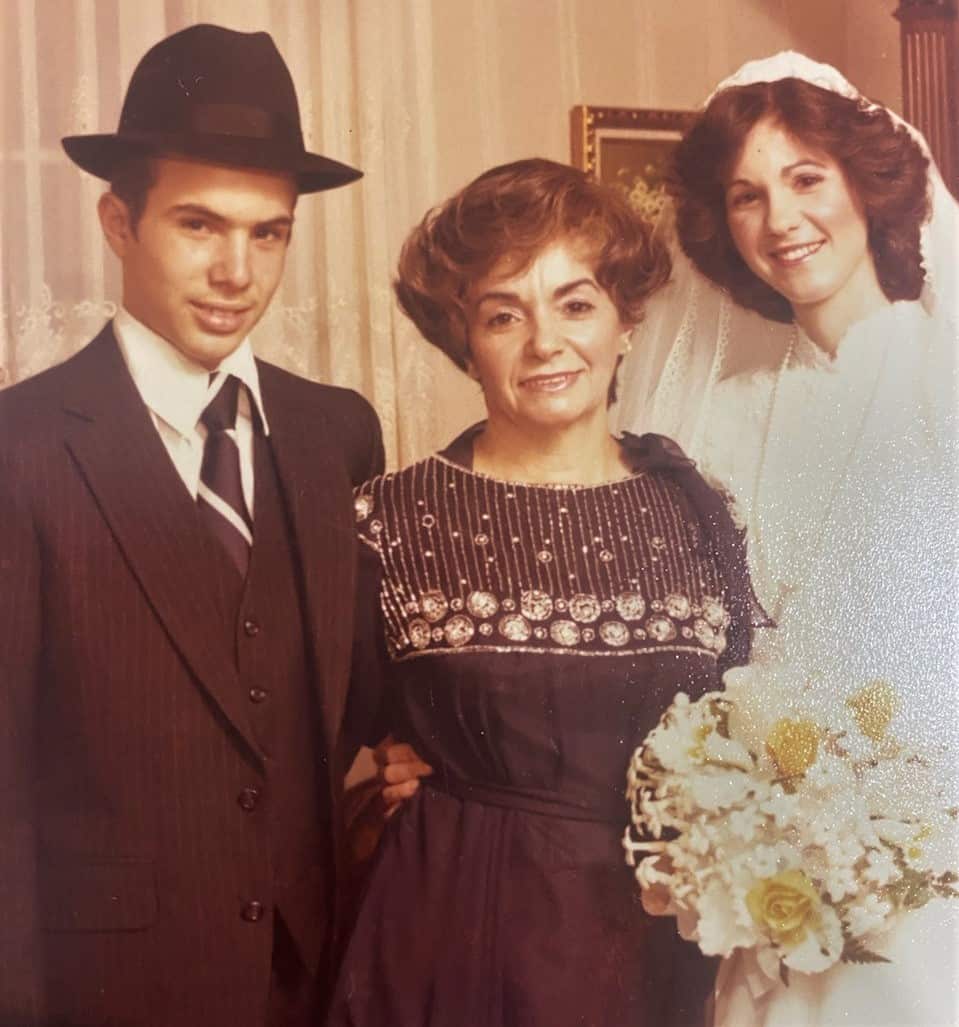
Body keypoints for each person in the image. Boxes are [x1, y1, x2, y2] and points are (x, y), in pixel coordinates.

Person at [0, 24, 383, 1027]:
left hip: (311, 977)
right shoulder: (19, 448)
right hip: (108, 991)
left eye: (269, 233)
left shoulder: (336, 432)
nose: (236, 271)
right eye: (199, 225)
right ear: (117, 222)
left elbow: (353, 695)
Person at [329, 158, 759, 1026]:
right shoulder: (385, 521)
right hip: (456, 940)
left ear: (626, 321)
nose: (544, 343)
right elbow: (311, 757)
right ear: (464, 342)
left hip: (657, 950)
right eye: (503, 315)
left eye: (575, 304)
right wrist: (380, 776)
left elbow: (743, 729)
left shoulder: (699, 510)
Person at [614, 52, 959, 1026]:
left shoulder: (948, 375)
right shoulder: (717, 421)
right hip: (772, 882)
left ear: (866, 183)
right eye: (746, 196)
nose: (780, 220)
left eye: (805, 178)